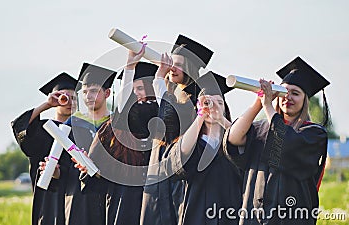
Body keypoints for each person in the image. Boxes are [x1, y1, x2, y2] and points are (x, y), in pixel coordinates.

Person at [223, 56, 330, 225]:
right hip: (253, 215)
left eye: (295, 93)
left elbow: (286, 142)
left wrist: (268, 106)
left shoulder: (313, 134)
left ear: (305, 100)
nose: (288, 97)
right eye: (283, 92)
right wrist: (258, 103)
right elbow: (233, 139)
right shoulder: (260, 128)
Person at [140, 35, 214, 225]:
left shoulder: (197, 97)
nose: (172, 67)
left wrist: (158, 78)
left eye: (178, 64)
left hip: (182, 172)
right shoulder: (173, 93)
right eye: (171, 62)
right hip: (159, 165)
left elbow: (168, 123)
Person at [87, 48, 159, 225]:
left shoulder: (164, 122)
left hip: (157, 197)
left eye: (140, 88)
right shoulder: (112, 127)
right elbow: (96, 165)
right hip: (124, 198)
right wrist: (89, 168)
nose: (136, 94)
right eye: (132, 89)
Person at [39, 62, 117, 225]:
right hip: (79, 199)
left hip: (112, 196)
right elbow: (63, 171)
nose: (88, 96)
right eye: (85, 92)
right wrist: (56, 172)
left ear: (107, 93)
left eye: (94, 91)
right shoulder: (71, 125)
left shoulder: (118, 125)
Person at [161, 71, 243, 225]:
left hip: (230, 215)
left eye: (219, 103)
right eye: (206, 103)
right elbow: (180, 154)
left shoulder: (231, 144)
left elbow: (244, 145)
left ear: (225, 108)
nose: (213, 107)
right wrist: (201, 115)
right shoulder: (192, 142)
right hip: (195, 216)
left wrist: (221, 119)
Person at [11, 72, 78, 225]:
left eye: (73, 98)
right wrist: (47, 104)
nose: (69, 102)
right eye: (64, 98)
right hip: (48, 198)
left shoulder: (83, 131)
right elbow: (20, 127)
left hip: (76, 197)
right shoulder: (43, 129)